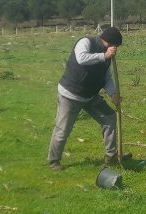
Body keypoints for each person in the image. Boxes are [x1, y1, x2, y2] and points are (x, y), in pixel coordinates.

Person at [47, 27, 128, 171]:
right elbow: (81, 58)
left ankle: (111, 157)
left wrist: (113, 94)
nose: (115, 49)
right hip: (70, 94)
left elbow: (106, 77)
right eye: (114, 45)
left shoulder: (108, 56)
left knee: (109, 118)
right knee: (63, 129)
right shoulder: (86, 42)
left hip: (90, 96)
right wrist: (104, 56)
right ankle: (53, 161)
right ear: (108, 42)